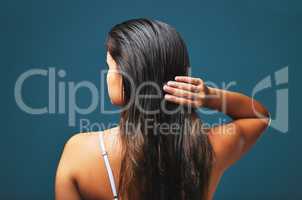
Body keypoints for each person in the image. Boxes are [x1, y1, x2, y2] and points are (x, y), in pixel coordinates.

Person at [55, 18, 270, 200]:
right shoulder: (209, 150)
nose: (107, 76)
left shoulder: (80, 152)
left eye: (110, 67)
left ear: (128, 76)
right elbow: (260, 116)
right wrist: (211, 97)